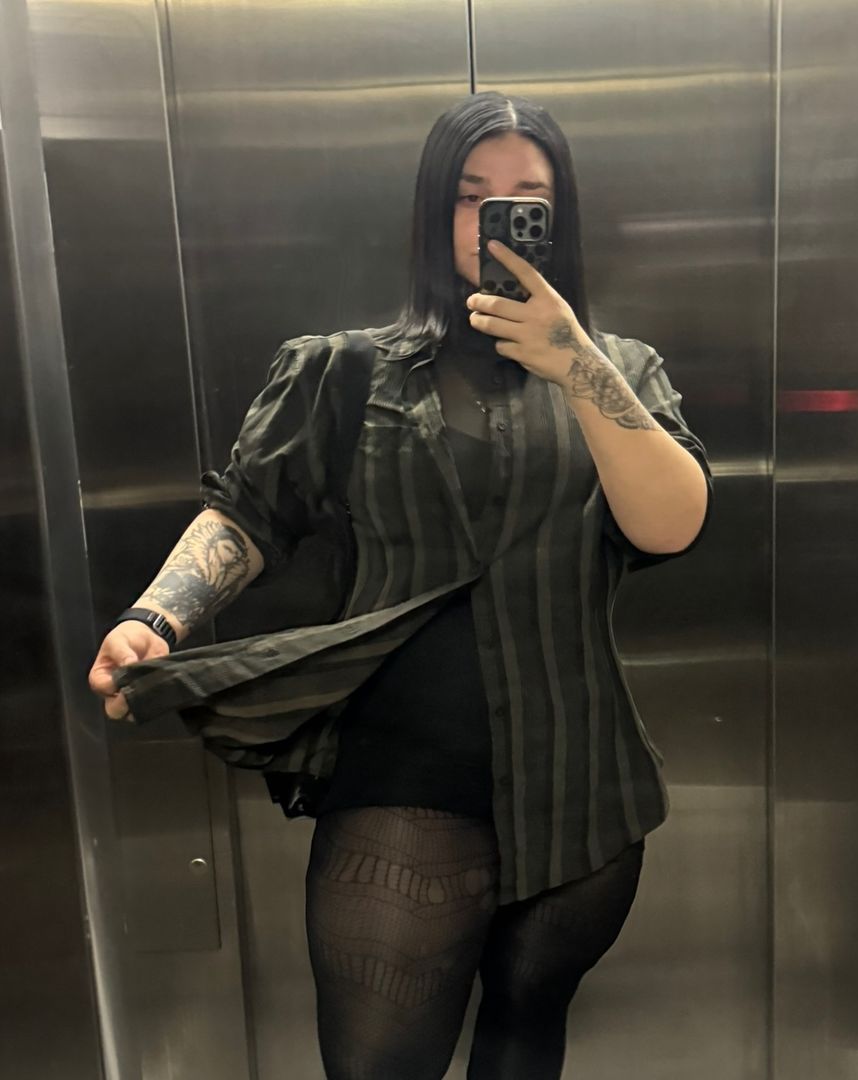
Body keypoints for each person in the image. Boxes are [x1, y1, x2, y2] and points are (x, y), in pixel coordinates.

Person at [87, 92, 712, 1080]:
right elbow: (249, 511)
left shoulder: (621, 373)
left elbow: (670, 524)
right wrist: (157, 614)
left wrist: (578, 366)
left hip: (583, 789)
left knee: (526, 1042)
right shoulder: (344, 372)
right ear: (434, 210)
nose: (495, 218)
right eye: (471, 195)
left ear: (560, 218)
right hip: (403, 786)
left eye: (529, 197)